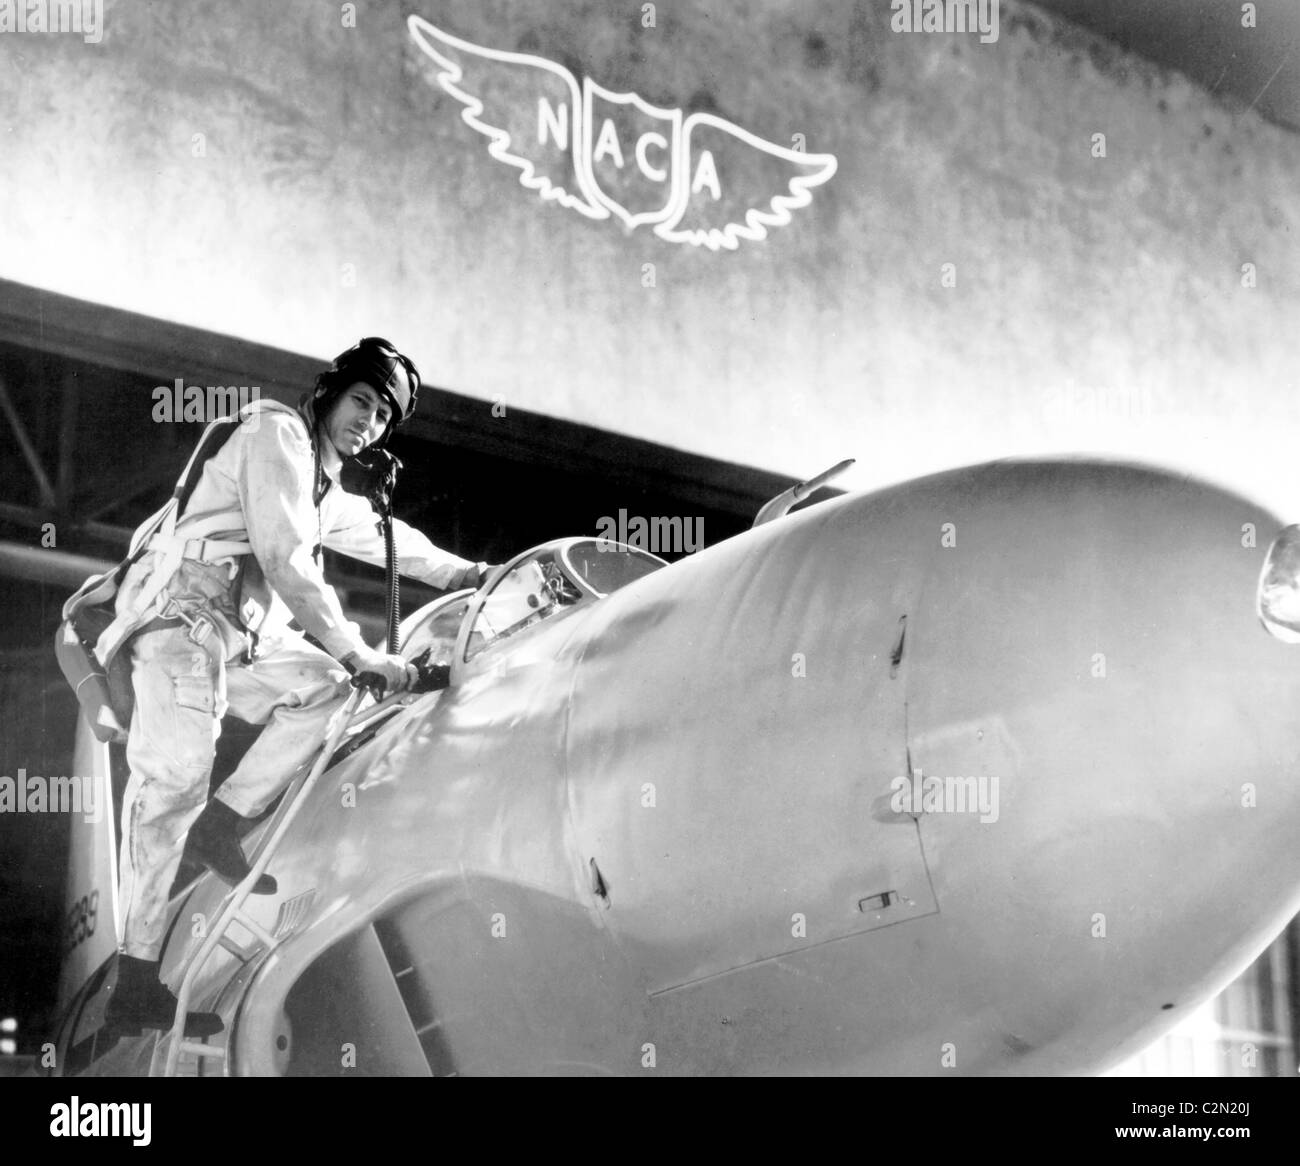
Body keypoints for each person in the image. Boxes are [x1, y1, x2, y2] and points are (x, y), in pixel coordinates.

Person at [102, 338, 492, 1037]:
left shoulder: (322, 485)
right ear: (330, 394)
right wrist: (358, 649)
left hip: (235, 635)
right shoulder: (273, 432)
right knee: (175, 780)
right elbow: (285, 559)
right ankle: (134, 979)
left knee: (328, 692)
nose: (368, 423)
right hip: (177, 617)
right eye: (362, 402)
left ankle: (221, 824)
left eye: (382, 418)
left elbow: (386, 536)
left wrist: (469, 574)